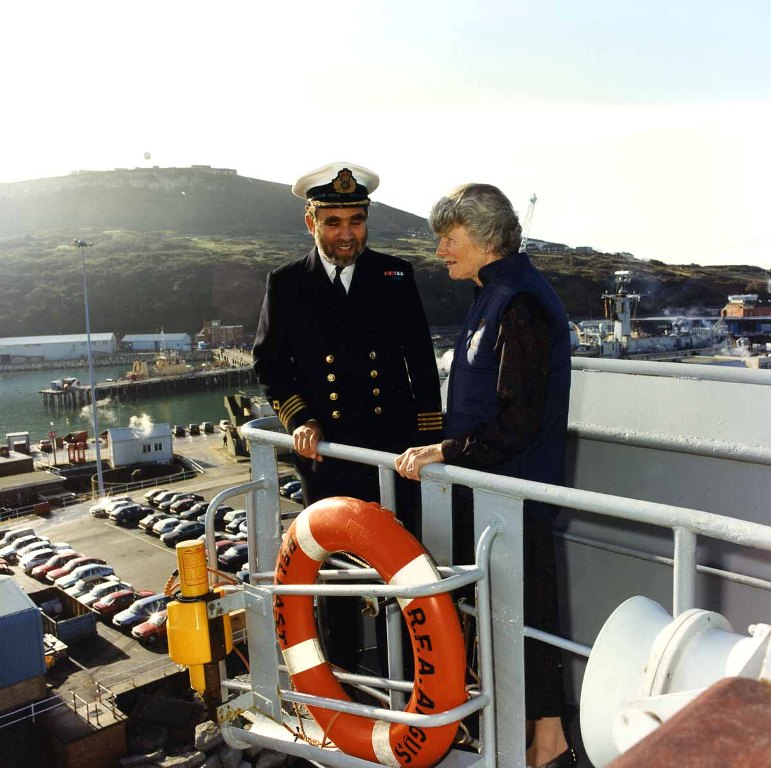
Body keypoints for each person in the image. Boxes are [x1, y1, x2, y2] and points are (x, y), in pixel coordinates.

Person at [395, 183, 575, 768]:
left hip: (515, 495)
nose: (441, 248)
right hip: (492, 493)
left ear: (487, 237)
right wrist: (445, 447)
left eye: (451, 237)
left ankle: (550, 743)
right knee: (506, 619)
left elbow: (517, 418)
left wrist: (446, 450)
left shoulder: (519, 300)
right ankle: (531, 737)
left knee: (530, 616)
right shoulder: (489, 293)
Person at [252, 161, 443, 669]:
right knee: (335, 578)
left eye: (356, 221)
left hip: (394, 454)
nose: (346, 234)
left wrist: (429, 440)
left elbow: (421, 364)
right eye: (333, 222)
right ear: (310, 222)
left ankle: (411, 677)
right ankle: (347, 683)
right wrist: (300, 421)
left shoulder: (394, 274)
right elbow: (270, 364)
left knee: (405, 571)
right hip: (330, 457)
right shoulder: (287, 283)